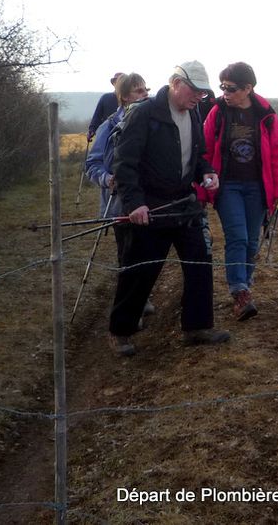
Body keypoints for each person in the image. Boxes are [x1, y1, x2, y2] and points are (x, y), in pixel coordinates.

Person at [107, 60, 230, 356]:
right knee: (141, 269)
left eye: (203, 93)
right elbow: (125, 165)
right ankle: (121, 332)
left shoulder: (195, 111)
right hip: (151, 206)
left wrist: (206, 172)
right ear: (176, 83)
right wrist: (135, 204)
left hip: (185, 203)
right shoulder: (145, 113)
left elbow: (197, 154)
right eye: (195, 90)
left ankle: (197, 327)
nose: (199, 97)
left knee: (200, 262)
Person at [202, 62, 278, 321]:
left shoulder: (266, 115)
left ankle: (245, 286)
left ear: (248, 88)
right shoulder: (217, 113)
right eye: (223, 87)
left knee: (252, 241)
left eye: (231, 88)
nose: (225, 93)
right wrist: (202, 188)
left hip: (257, 188)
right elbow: (204, 151)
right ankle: (239, 290)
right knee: (237, 237)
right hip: (227, 187)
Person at [85, 72, 149, 221]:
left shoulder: (153, 123)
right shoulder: (108, 127)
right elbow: (92, 164)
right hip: (120, 206)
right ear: (125, 96)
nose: (145, 94)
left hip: (151, 204)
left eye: (147, 90)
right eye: (139, 91)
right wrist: (108, 179)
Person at [87, 72, 122, 143]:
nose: (119, 84)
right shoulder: (105, 98)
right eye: (116, 81)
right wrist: (92, 130)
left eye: (122, 82)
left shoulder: (130, 99)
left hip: (124, 136)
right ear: (113, 84)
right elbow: (97, 116)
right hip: (107, 135)